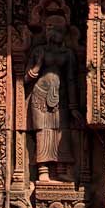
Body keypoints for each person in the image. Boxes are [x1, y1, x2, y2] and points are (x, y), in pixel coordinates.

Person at [25, 14, 82, 183]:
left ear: (63, 32)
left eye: (56, 30)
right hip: (40, 95)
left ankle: (61, 169)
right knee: (43, 131)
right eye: (49, 28)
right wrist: (37, 65)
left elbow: (72, 80)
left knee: (61, 131)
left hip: (61, 96)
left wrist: (73, 107)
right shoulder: (39, 51)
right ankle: (43, 170)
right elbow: (26, 79)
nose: (52, 33)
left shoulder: (68, 54)